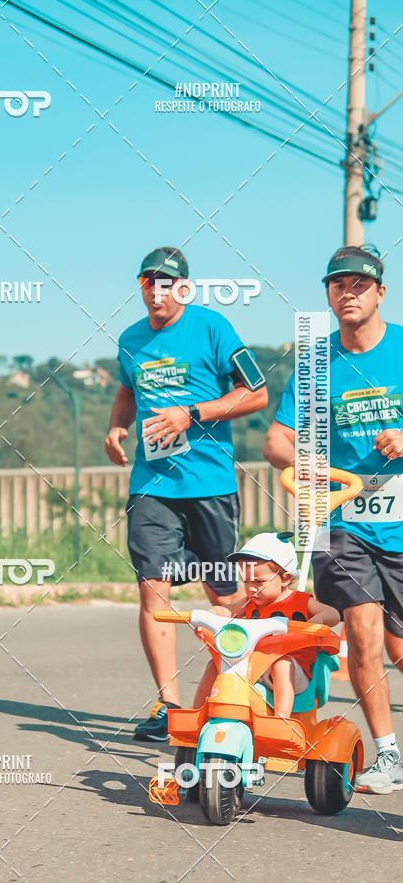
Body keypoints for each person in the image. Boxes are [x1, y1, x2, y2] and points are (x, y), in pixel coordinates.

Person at [105, 246, 268, 741]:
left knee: (225, 593)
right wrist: (115, 427)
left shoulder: (212, 327)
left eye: (167, 281)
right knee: (154, 588)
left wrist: (191, 413)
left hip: (209, 485)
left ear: (184, 287)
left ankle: (238, 684)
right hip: (152, 486)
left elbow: (256, 392)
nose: (156, 290)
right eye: (147, 281)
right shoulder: (131, 339)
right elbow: (127, 389)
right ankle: (169, 707)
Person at [263, 244, 403, 793]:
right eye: (336, 284)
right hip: (340, 518)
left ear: (380, 293)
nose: (347, 293)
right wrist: (307, 461)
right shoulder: (318, 363)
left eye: (358, 284)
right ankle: (388, 755)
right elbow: (277, 438)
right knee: (363, 630)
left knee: (398, 646)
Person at [192, 532, 340, 718]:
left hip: (295, 672)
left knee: (282, 663)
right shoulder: (249, 602)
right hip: (253, 664)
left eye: (259, 582)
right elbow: (226, 611)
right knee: (214, 665)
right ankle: (197, 715)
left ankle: (281, 721)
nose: (250, 588)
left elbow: (333, 614)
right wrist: (209, 616)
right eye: (245, 581)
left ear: (285, 578)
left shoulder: (301, 601)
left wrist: (317, 621)